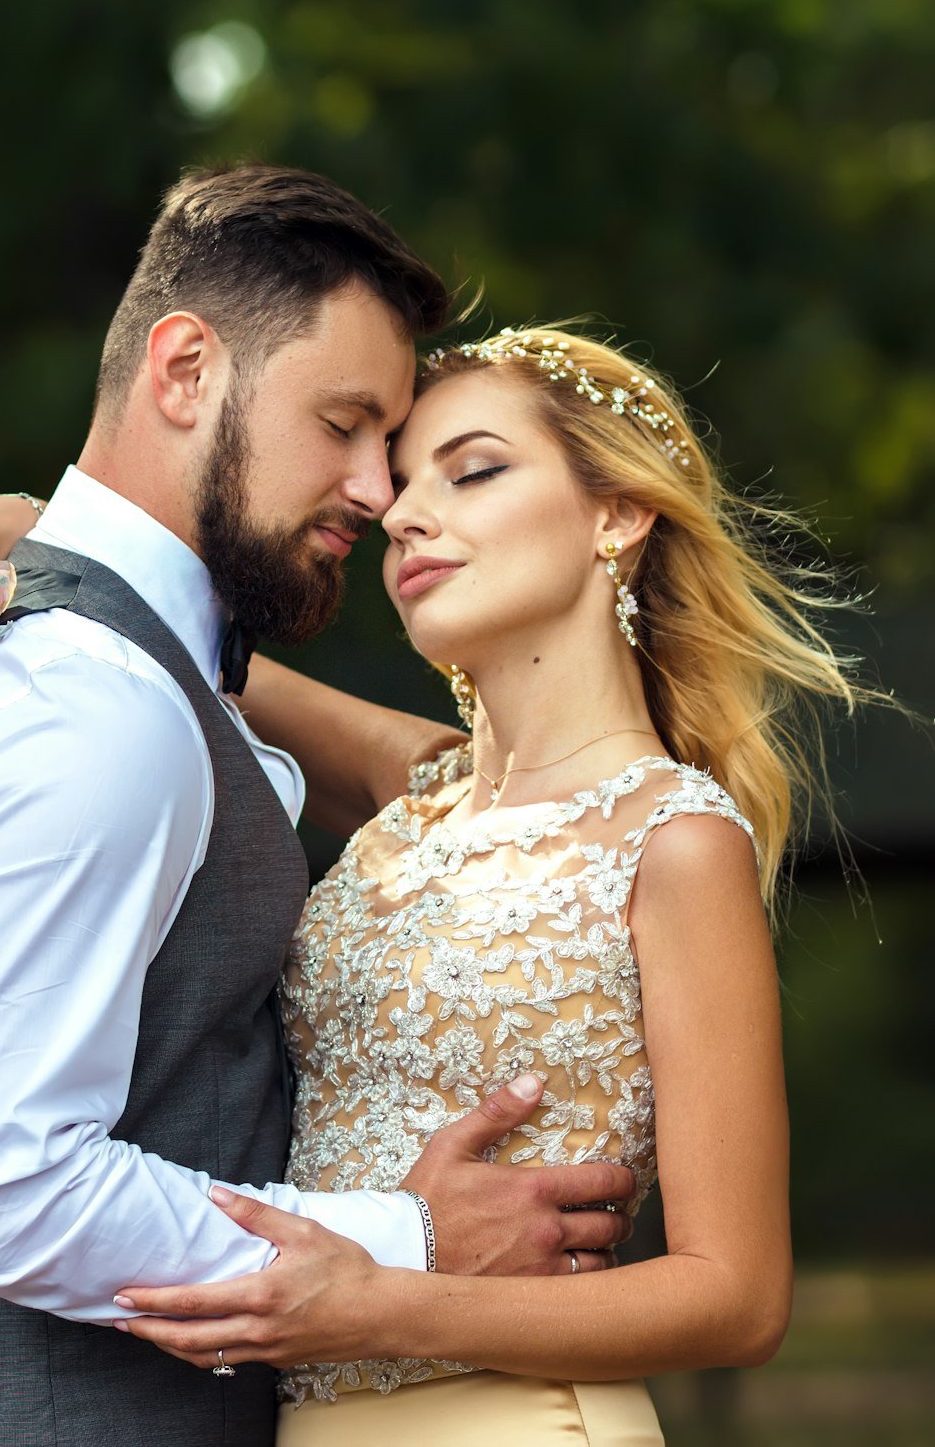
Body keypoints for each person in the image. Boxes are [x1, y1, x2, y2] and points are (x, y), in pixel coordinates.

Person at [0, 171, 636, 1447]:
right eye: (345, 422)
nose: (378, 490)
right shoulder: (97, 706)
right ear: (186, 368)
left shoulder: (132, 666)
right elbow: (1, 1187)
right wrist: (405, 1239)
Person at [109, 324, 862, 1442]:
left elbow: (737, 1293)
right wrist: (62, 555)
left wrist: (380, 1301)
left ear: (616, 513)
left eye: (472, 470)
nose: (404, 512)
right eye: (401, 486)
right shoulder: (419, 792)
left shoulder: (673, 840)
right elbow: (203, 657)